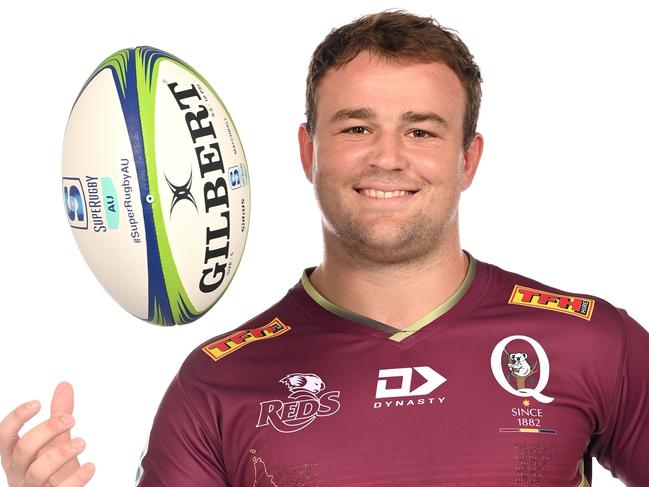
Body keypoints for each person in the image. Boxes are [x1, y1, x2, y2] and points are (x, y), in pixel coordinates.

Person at [3, 10, 648, 487]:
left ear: (468, 158)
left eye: (421, 130)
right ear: (309, 151)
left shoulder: (590, 340)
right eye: (357, 127)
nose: (387, 157)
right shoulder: (219, 384)